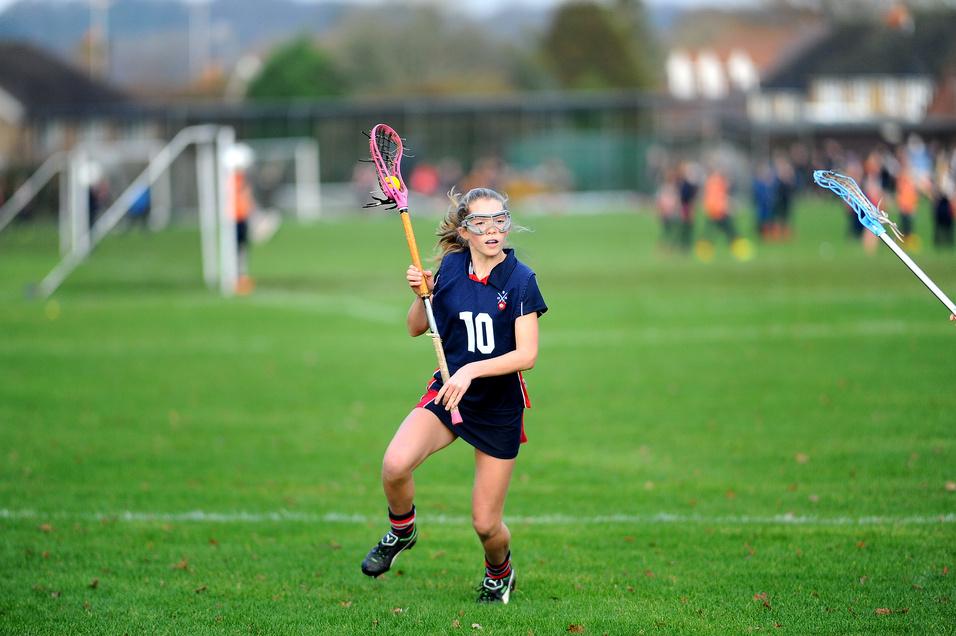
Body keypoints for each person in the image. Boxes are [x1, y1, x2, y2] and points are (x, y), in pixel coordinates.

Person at [360, 187, 547, 605]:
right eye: (480, 223)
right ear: (464, 231)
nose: (492, 230)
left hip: (497, 407)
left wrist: (471, 371)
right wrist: (422, 295)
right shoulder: (450, 268)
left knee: (486, 525)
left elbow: (527, 355)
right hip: (449, 394)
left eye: (499, 220)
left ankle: (499, 573)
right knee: (394, 465)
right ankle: (402, 530)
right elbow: (415, 327)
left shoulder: (521, 280)